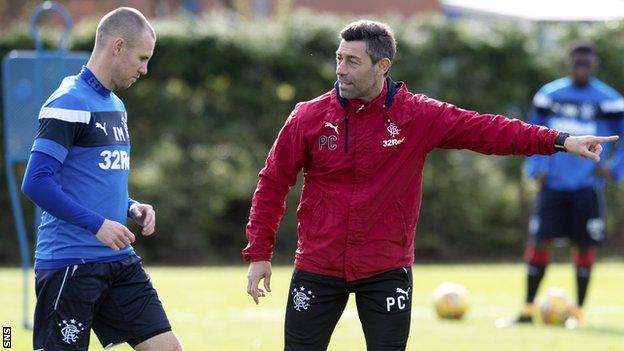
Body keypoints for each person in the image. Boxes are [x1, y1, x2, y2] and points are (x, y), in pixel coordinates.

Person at [242, 20, 617, 350]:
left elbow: (488, 130)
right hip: (317, 265)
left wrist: (560, 140)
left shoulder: (417, 115)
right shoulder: (308, 117)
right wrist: (259, 253)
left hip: (385, 268)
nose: (340, 69)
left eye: (352, 61)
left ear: (382, 66)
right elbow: (273, 182)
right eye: (338, 58)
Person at [21, 7, 183, 351]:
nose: (145, 69)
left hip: (117, 260)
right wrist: (97, 224)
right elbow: (35, 182)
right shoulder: (68, 102)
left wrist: (131, 206)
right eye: (142, 58)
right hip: (70, 264)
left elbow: (93, 180)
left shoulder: (115, 106)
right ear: (118, 46)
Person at [512, 42, 624, 326]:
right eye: (577, 64)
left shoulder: (609, 100)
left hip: (587, 185)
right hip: (553, 184)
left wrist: (613, 168)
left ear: (594, 65)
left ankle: (579, 313)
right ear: (569, 63)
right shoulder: (549, 95)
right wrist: (536, 166)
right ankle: (526, 311)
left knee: (584, 245)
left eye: (586, 64)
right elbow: (532, 131)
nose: (581, 69)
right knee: (540, 241)